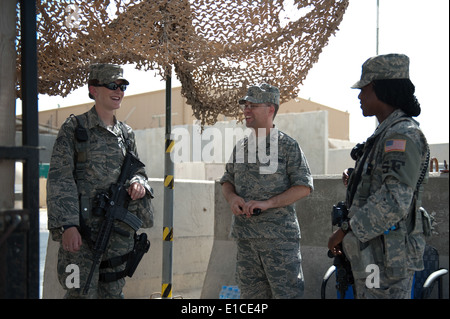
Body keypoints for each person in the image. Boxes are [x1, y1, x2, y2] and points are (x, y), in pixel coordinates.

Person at [47, 63, 154, 298]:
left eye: (123, 86)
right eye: (112, 85)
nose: (119, 91)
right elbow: (60, 179)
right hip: (82, 231)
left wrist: (139, 183)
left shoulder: (126, 134)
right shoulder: (75, 128)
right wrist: (68, 225)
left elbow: (139, 171)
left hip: (117, 232)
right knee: (79, 291)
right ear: (93, 90)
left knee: (113, 291)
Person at [328, 53, 430, 299]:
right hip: (374, 256)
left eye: (363, 89)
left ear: (378, 88)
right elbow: (384, 180)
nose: (359, 96)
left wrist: (345, 229)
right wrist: (356, 177)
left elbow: (394, 201)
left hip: (386, 261)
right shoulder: (386, 134)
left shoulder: (402, 135)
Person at [220, 83, 314, 299]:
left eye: (252, 105)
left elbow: (304, 187)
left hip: (279, 242)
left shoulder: (288, 146)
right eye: (245, 105)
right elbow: (226, 181)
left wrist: (268, 204)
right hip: (246, 242)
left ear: (270, 109)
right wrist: (233, 198)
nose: (246, 110)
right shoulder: (241, 147)